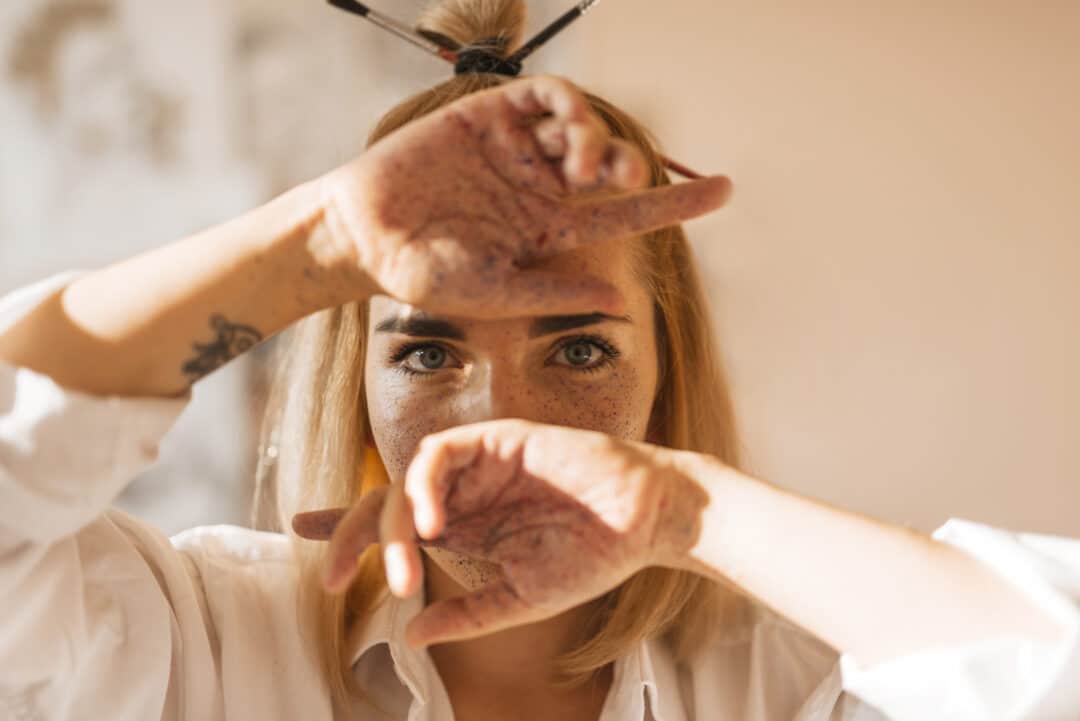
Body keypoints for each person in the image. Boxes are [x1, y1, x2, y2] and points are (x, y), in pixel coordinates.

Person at [1, 1, 1078, 719]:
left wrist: (687, 513)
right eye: (425, 350)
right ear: (356, 374)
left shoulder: (792, 680)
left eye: (577, 347)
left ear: (669, 367)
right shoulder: (205, 642)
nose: (497, 416)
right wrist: (312, 245)